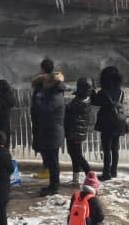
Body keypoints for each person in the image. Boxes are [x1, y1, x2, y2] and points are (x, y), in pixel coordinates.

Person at [30, 58, 66, 196]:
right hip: (47, 130)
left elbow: (44, 109)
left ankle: (55, 186)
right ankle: (52, 184)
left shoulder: (56, 95)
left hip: (52, 131)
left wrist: (38, 98)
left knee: (53, 161)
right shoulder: (49, 92)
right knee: (50, 159)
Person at [90, 65, 126, 181]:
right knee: (115, 148)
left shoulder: (104, 92)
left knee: (106, 149)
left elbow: (95, 102)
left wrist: (92, 93)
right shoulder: (120, 92)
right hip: (119, 122)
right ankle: (114, 171)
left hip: (107, 123)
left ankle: (106, 173)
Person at [64, 78, 94, 184]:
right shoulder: (84, 99)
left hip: (75, 132)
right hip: (75, 132)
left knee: (77, 156)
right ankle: (76, 178)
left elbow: (68, 110)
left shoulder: (80, 102)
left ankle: (90, 175)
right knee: (74, 155)